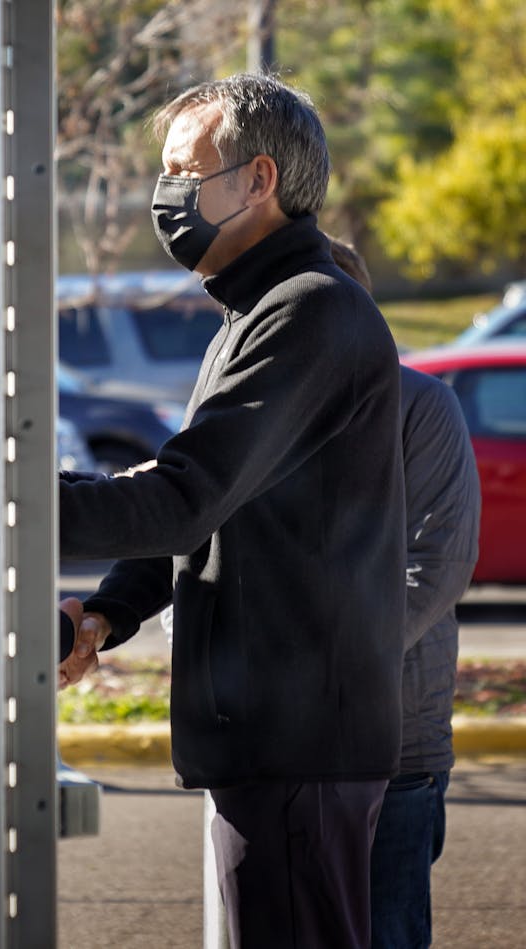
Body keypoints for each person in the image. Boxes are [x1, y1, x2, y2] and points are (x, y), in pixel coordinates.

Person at [57, 73, 407, 948]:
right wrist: (109, 611)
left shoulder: (309, 311)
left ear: (259, 180)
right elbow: (214, 500)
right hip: (274, 741)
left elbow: (182, 502)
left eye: (183, 170)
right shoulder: (257, 311)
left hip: (297, 745)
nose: (163, 196)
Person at [328, 237, 481, 948]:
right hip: (274, 746)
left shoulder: (422, 406)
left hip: (396, 748)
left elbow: (439, 565)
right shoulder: (256, 409)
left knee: (387, 933)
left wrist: (330, 663)